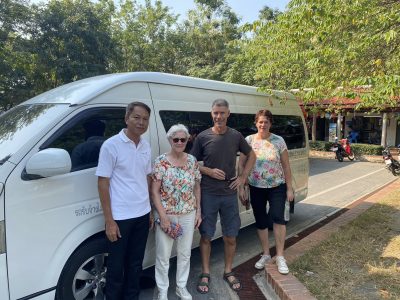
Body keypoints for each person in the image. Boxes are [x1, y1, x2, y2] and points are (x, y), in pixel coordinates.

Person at [191, 99, 256, 293]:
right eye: (215, 113)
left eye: (222, 113)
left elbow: (252, 155)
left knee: (231, 236)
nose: (219, 116)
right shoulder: (203, 137)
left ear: (228, 114)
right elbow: (191, 163)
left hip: (229, 194)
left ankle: (228, 270)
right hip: (208, 193)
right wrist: (208, 171)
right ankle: (205, 272)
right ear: (211, 114)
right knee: (206, 236)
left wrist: (243, 177)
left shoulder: (235, 136)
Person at [95, 101, 153, 300]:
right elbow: (103, 183)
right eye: (136, 117)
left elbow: (146, 177)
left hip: (142, 214)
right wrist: (109, 221)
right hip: (120, 217)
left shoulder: (146, 145)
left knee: (136, 263)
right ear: (126, 118)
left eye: (145, 119)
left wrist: (150, 210)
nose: (141, 122)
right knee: (116, 266)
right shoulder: (111, 145)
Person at [239, 109, 294, 274]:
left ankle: (280, 256)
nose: (263, 125)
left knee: (278, 219)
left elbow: (286, 166)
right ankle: (266, 254)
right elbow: (241, 164)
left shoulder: (279, 141)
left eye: (266, 122)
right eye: (260, 122)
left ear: (270, 123)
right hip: (256, 187)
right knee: (261, 221)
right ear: (256, 123)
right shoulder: (248, 140)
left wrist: (289, 188)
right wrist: (243, 184)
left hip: (277, 186)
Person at [151, 124, 202, 300]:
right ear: (170, 140)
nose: (180, 142)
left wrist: (198, 211)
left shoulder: (192, 161)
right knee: (163, 256)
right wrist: (163, 217)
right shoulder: (160, 162)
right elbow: (154, 191)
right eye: (176, 139)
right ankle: (163, 291)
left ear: (188, 140)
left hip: (188, 213)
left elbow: (197, 186)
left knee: (185, 253)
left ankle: (181, 287)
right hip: (167, 214)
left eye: (183, 139)